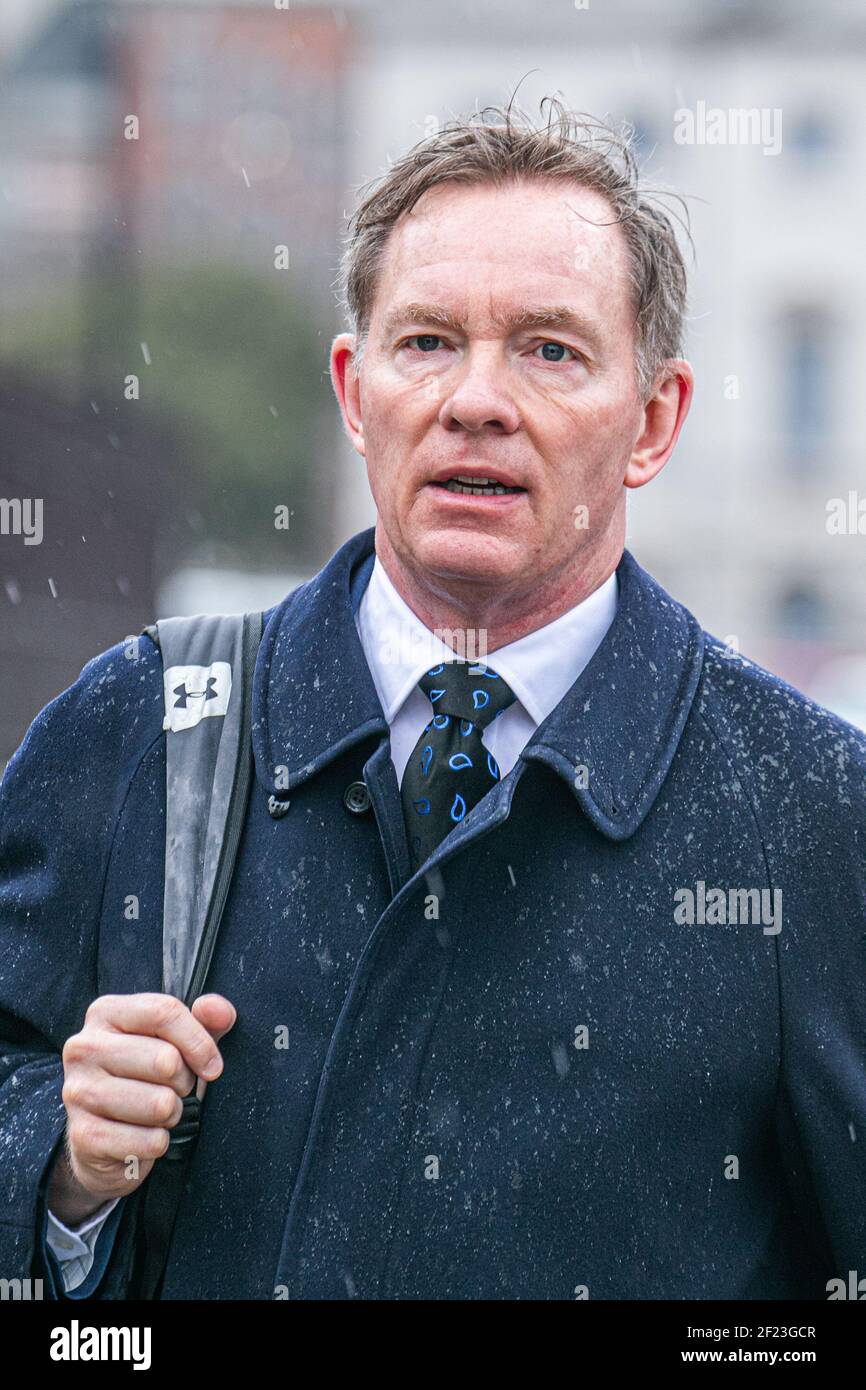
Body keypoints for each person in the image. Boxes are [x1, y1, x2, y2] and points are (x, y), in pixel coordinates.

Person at [1, 97, 864, 1301]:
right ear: (355, 394)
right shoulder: (138, 724)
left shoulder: (812, 811)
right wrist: (59, 1167)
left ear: (652, 420)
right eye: (426, 343)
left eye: (549, 350)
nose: (474, 400)